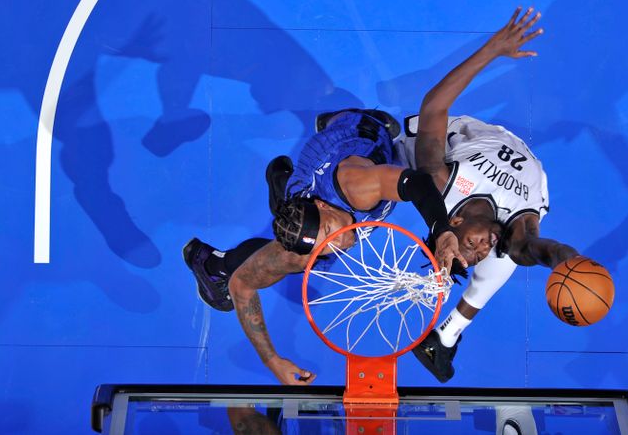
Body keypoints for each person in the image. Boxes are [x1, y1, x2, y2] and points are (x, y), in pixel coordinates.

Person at [183, 109, 465, 385]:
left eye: (331, 231)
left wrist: (441, 230)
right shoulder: (316, 245)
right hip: (305, 191)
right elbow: (241, 285)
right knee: (297, 260)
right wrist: (273, 362)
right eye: (327, 243)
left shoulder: (357, 188)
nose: (341, 242)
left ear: (321, 205)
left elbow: (416, 183)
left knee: (381, 127)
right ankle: (210, 263)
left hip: (353, 128)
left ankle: (285, 179)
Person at [401, 7, 588, 382]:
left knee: (378, 166)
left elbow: (435, 105)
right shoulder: (515, 234)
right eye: (477, 254)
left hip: (449, 136)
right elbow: (542, 250)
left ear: (455, 220)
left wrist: (493, 48)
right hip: (527, 166)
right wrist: (569, 263)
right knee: (503, 264)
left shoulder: (441, 181)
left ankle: (350, 134)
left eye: (469, 245)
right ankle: (446, 337)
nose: (481, 249)